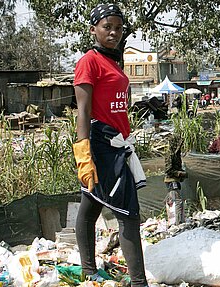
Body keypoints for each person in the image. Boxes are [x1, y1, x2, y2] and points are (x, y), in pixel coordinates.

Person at [72, 4, 148, 286]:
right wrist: (83, 152)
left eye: (118, 27)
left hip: (117, 141)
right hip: (101, 144)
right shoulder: (88, 62)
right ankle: (139, 282)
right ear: (94, 30)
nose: (114, 32)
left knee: (90, 205)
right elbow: (83, 109)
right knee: (129, 212)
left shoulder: (113, 61)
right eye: (107, 27)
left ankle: (88, 270)